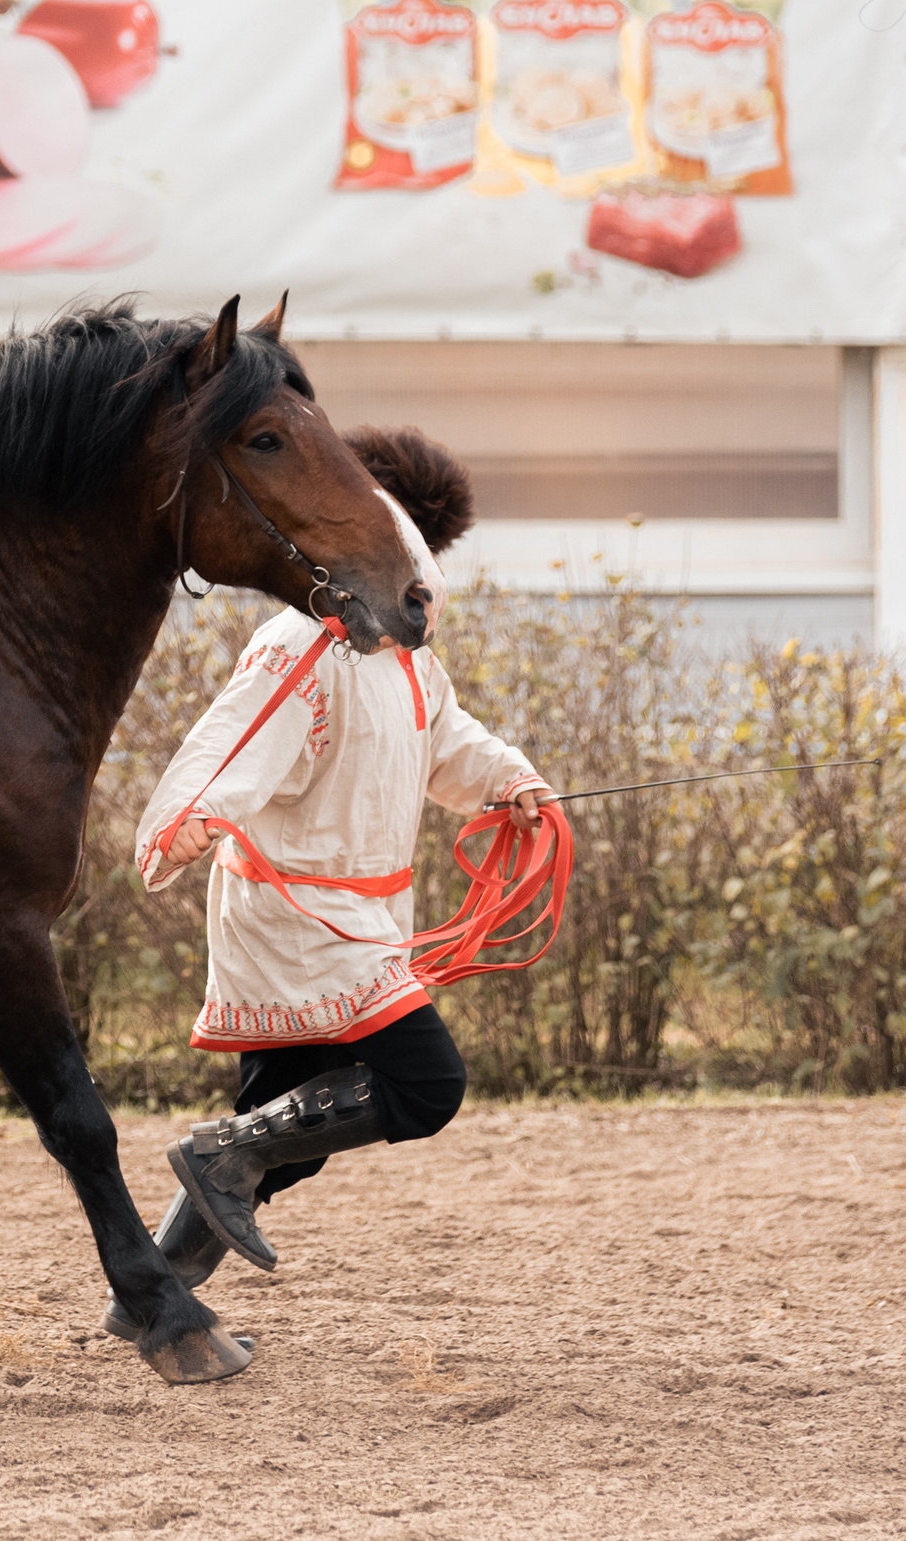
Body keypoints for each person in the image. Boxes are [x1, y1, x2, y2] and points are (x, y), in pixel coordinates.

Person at [106, 427, 555, 1340]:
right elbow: (238, 737)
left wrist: (512, 780)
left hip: (360, 916)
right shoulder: (301, 643)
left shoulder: (401, 649)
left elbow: (445, 738)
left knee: (275, 1139)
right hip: (299, 919)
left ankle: (149, 1302)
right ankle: (207, 1172)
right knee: (427, 1085)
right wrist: (185, 821)